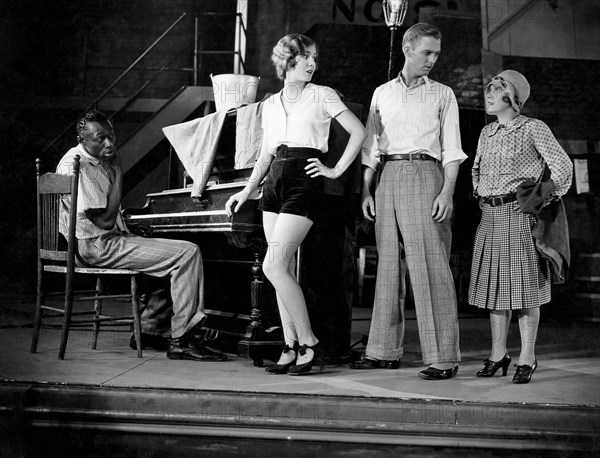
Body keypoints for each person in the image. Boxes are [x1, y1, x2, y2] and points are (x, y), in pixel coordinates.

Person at [225, 33, 366, 376]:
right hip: (275, 180)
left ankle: (310, 342)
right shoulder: (270, 104)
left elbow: (359, 132)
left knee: (273, 266)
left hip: (304, 182)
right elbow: (265, 153)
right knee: (281, 271)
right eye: (308, 58)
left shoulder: (323, 95)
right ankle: (290, 347)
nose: (313, 64)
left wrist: (333, 170)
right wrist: (247, 191)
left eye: (315, 58)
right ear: (289, 60)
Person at [56, 109, 227, 362]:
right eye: (100, 138)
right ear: (82, 141)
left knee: (163, 250)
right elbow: (103, 221)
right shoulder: (78, 165)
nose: (109, 143)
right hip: (95, 246)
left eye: (111, 136)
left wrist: (129, 228)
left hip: (97, 241)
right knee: (187, 253)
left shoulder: (88, 160)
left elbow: (102, 217)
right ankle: (183, 340)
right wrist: (118, 175)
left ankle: (149, 330)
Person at [349, 23, 465, 380]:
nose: (432, 59)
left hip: (426, 173)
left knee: (430, 264)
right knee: (387, 267)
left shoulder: (442, 94)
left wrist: (446, 192)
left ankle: (442, 357)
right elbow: (371, 147)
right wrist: (367, 189)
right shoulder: (382, 93)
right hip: (388, 177)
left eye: (436, 54)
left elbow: (452, 150)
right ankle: (384, 351)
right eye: (426, 52)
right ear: (407, 49)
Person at [469, 70, 572, 384]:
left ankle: (527, 357)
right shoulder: (486, 132)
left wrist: (539, 199)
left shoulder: (534, 128)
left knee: (526, 292)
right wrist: (481, 194)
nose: (487, 95)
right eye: (487, 89)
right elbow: (476, 168)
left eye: (495, 90)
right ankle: (498, 355)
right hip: (490, 217)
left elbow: (563, 167)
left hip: (518, 217)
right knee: (494, 291)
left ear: (512, 97)